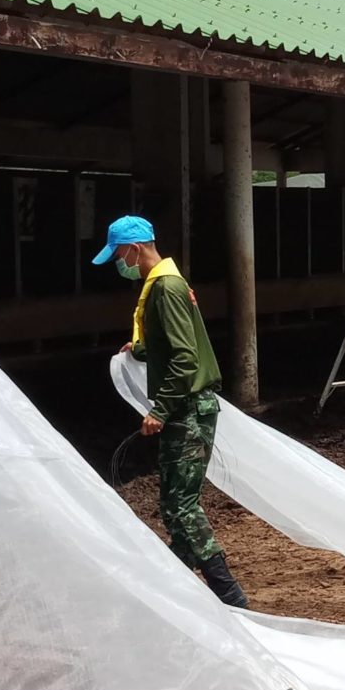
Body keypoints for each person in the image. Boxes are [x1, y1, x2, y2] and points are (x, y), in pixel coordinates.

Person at [93, 215, 248, 607]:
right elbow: (171, 342)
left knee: (182, 504)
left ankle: (229, 593)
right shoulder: (164, 284)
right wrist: (141, 350)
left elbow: (184, 356)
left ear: (135, 249)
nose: (118, 263)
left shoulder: (165, 288)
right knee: (172, 503)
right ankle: (177, 589)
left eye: (118, 255)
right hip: (184, 408)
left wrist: (159, 410)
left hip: (188, 408)